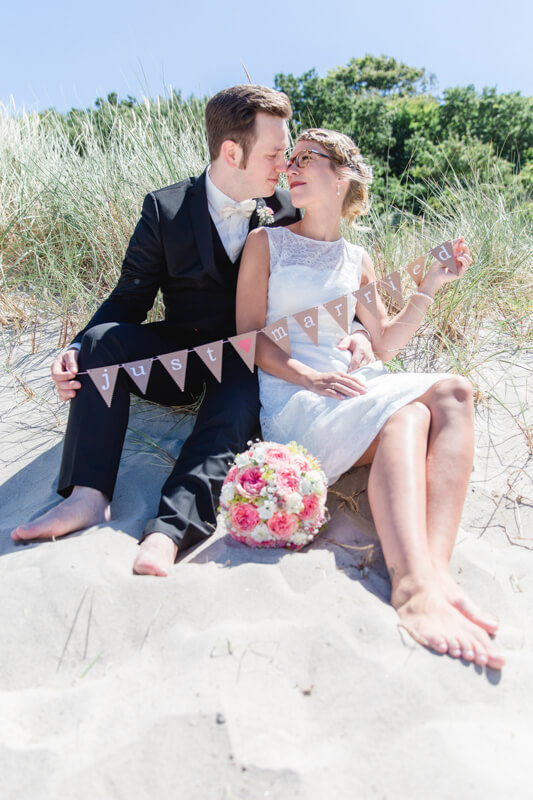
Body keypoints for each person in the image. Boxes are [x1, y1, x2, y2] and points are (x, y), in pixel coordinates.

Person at [10, 88, 373, 577]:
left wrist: (357, 330)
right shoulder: (166, 210)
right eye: (273, 154)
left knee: (230, 411)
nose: (285, 165)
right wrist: (76, 347)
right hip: (180, 355)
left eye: (287, 154)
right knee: (102, 343)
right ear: (231, 152)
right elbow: (129, 298)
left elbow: (332, 281)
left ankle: (170, 529)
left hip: (249, 361)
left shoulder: (289, 208)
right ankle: (87, 495)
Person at [236, 128, 505, 668]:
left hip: (355, 386)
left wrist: (430, 284)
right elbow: (247, 338)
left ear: (343, 178)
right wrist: (310, 379)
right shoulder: (266, 242)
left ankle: (435, 575)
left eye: (308, 157)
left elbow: (383, 341)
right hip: (298, 397)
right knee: (405, 415)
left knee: (454, 390)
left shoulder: (357, 257)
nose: (292, 164)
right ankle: (411, 589)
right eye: (293, 156)